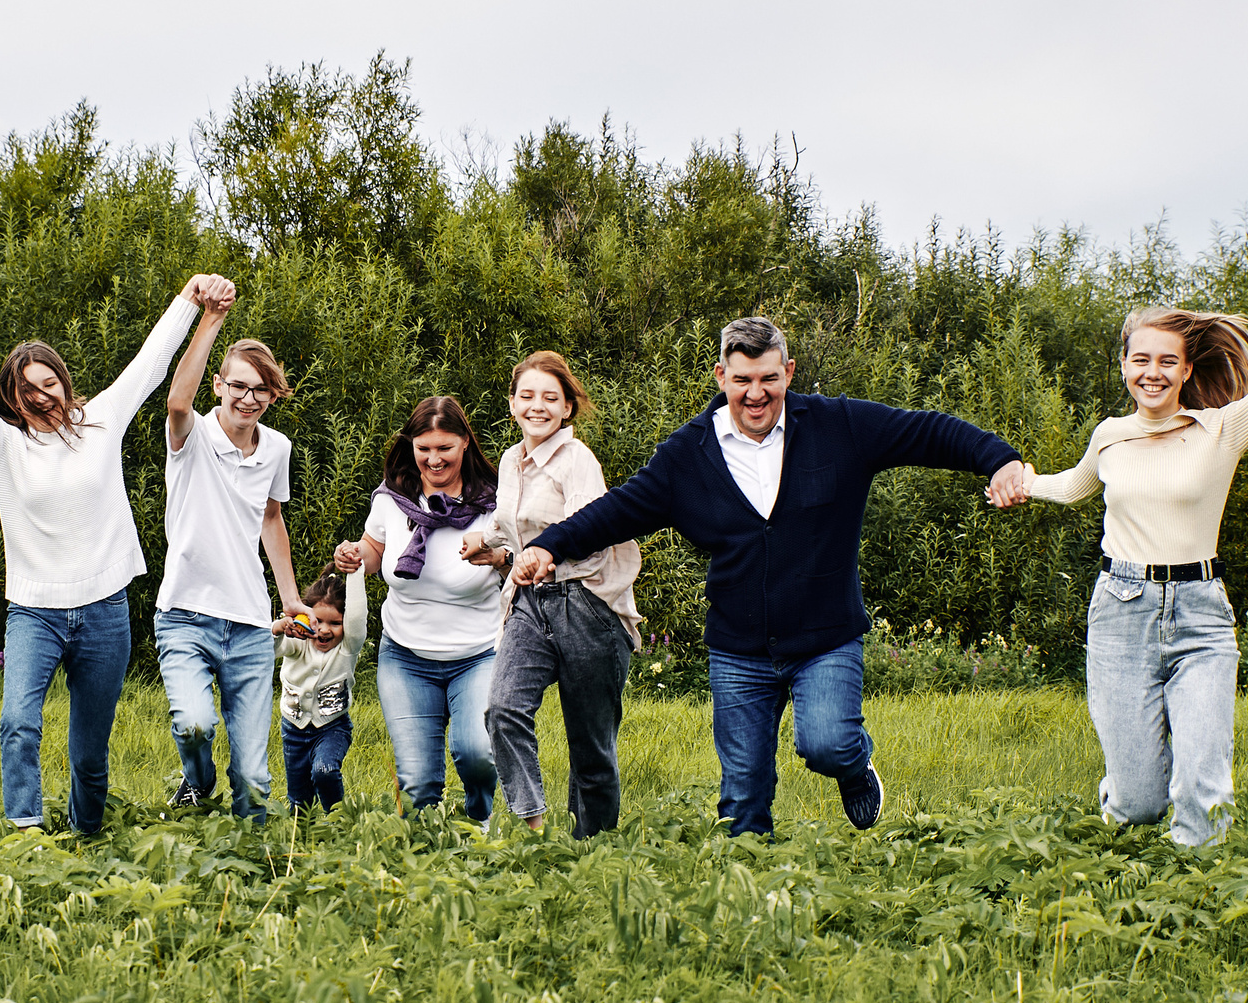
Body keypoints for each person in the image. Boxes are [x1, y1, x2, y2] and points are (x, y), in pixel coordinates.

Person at [514, 317, 1030, 837]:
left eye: (768, 379)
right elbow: (617, 510)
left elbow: (929, 431)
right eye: (742, 381)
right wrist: (548, 545)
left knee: (827, 743)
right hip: (738, 649)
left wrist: (1000, 461)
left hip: (825, 639)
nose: (755, 394)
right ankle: (752, 902)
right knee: (742, 801)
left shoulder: (838, 425)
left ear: (788, 371)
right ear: (721, 377)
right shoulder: (687, 456)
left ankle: (853, 766)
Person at [1024, 239, 1248, 845]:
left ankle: (1203, 901)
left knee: (1201, 792)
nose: (1152, 373)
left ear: (1186, 369)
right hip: (1119, 612)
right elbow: (1075, 488)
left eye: (1166, 362)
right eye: (1140, 360)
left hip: (1201, 613)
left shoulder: (1221, 430)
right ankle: (1126, 858)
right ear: (1124, 365)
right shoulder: (1110, 435)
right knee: (1138, 800)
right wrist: (1018, 480)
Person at [0, 276, 207, 835]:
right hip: (34, 612)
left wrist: (187, 300)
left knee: (88, 749)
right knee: (17, 723)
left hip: (105, 611)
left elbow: (151, 364)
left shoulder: (102, 421)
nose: (40, 396)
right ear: (12, 399)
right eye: (26, 390)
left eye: (48, 382)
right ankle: (25, 832)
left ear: (63, 381)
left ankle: (87, 835)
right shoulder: (7, 446)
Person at [151, 278, 307, 819]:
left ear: (273, 395)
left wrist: (289, 598)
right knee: (193, 724)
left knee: (255, 780)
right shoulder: (191, 434)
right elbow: (176, 400)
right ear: (219, 385)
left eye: (260, 390)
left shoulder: (277, 448)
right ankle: (196, 781)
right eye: (238, 386)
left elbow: (271, 519)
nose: (248, 399)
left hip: (247, 623)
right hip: (184, 615)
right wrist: (211, 318)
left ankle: (252, 872)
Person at [479, 351, 642, 838]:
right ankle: (533, 824)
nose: (538, 406)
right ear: (512, 404)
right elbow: (512, 521)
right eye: (527, 396)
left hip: (587, 604)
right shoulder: (510, 460)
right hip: (529, 603)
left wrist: (543, 556)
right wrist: (486, 542)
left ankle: (589, 850)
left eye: (550, 398)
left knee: (590, 746)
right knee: (503, 709)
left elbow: (588, 535)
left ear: (567, 408)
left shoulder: (578, 461)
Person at [335, 396, 506, 821]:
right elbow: (375, 551)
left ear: (466, 443)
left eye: (444, 448)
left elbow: (525, 564)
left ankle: (476, 832)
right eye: (423, 448)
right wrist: (355, 555)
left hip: (479, 653)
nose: (433, 459)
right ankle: (422, 862)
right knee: (417, 781)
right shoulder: (394, 499)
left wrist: (499, 558)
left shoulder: (496, 505)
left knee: (478, 755)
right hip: (405, 655)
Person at [278, 563, 368, 813]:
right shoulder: (298, 641)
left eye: (335, 623)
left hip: (332, 727)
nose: (325, 630)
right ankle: (303, 839)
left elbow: (358, 615)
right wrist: (279, 628)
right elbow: (270, 647)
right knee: (299, 802)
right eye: (319, 622)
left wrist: (355, 571)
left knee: (325, 771)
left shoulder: (348, 647)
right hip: (293, 729)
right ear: (306, 617)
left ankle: (338, 820)